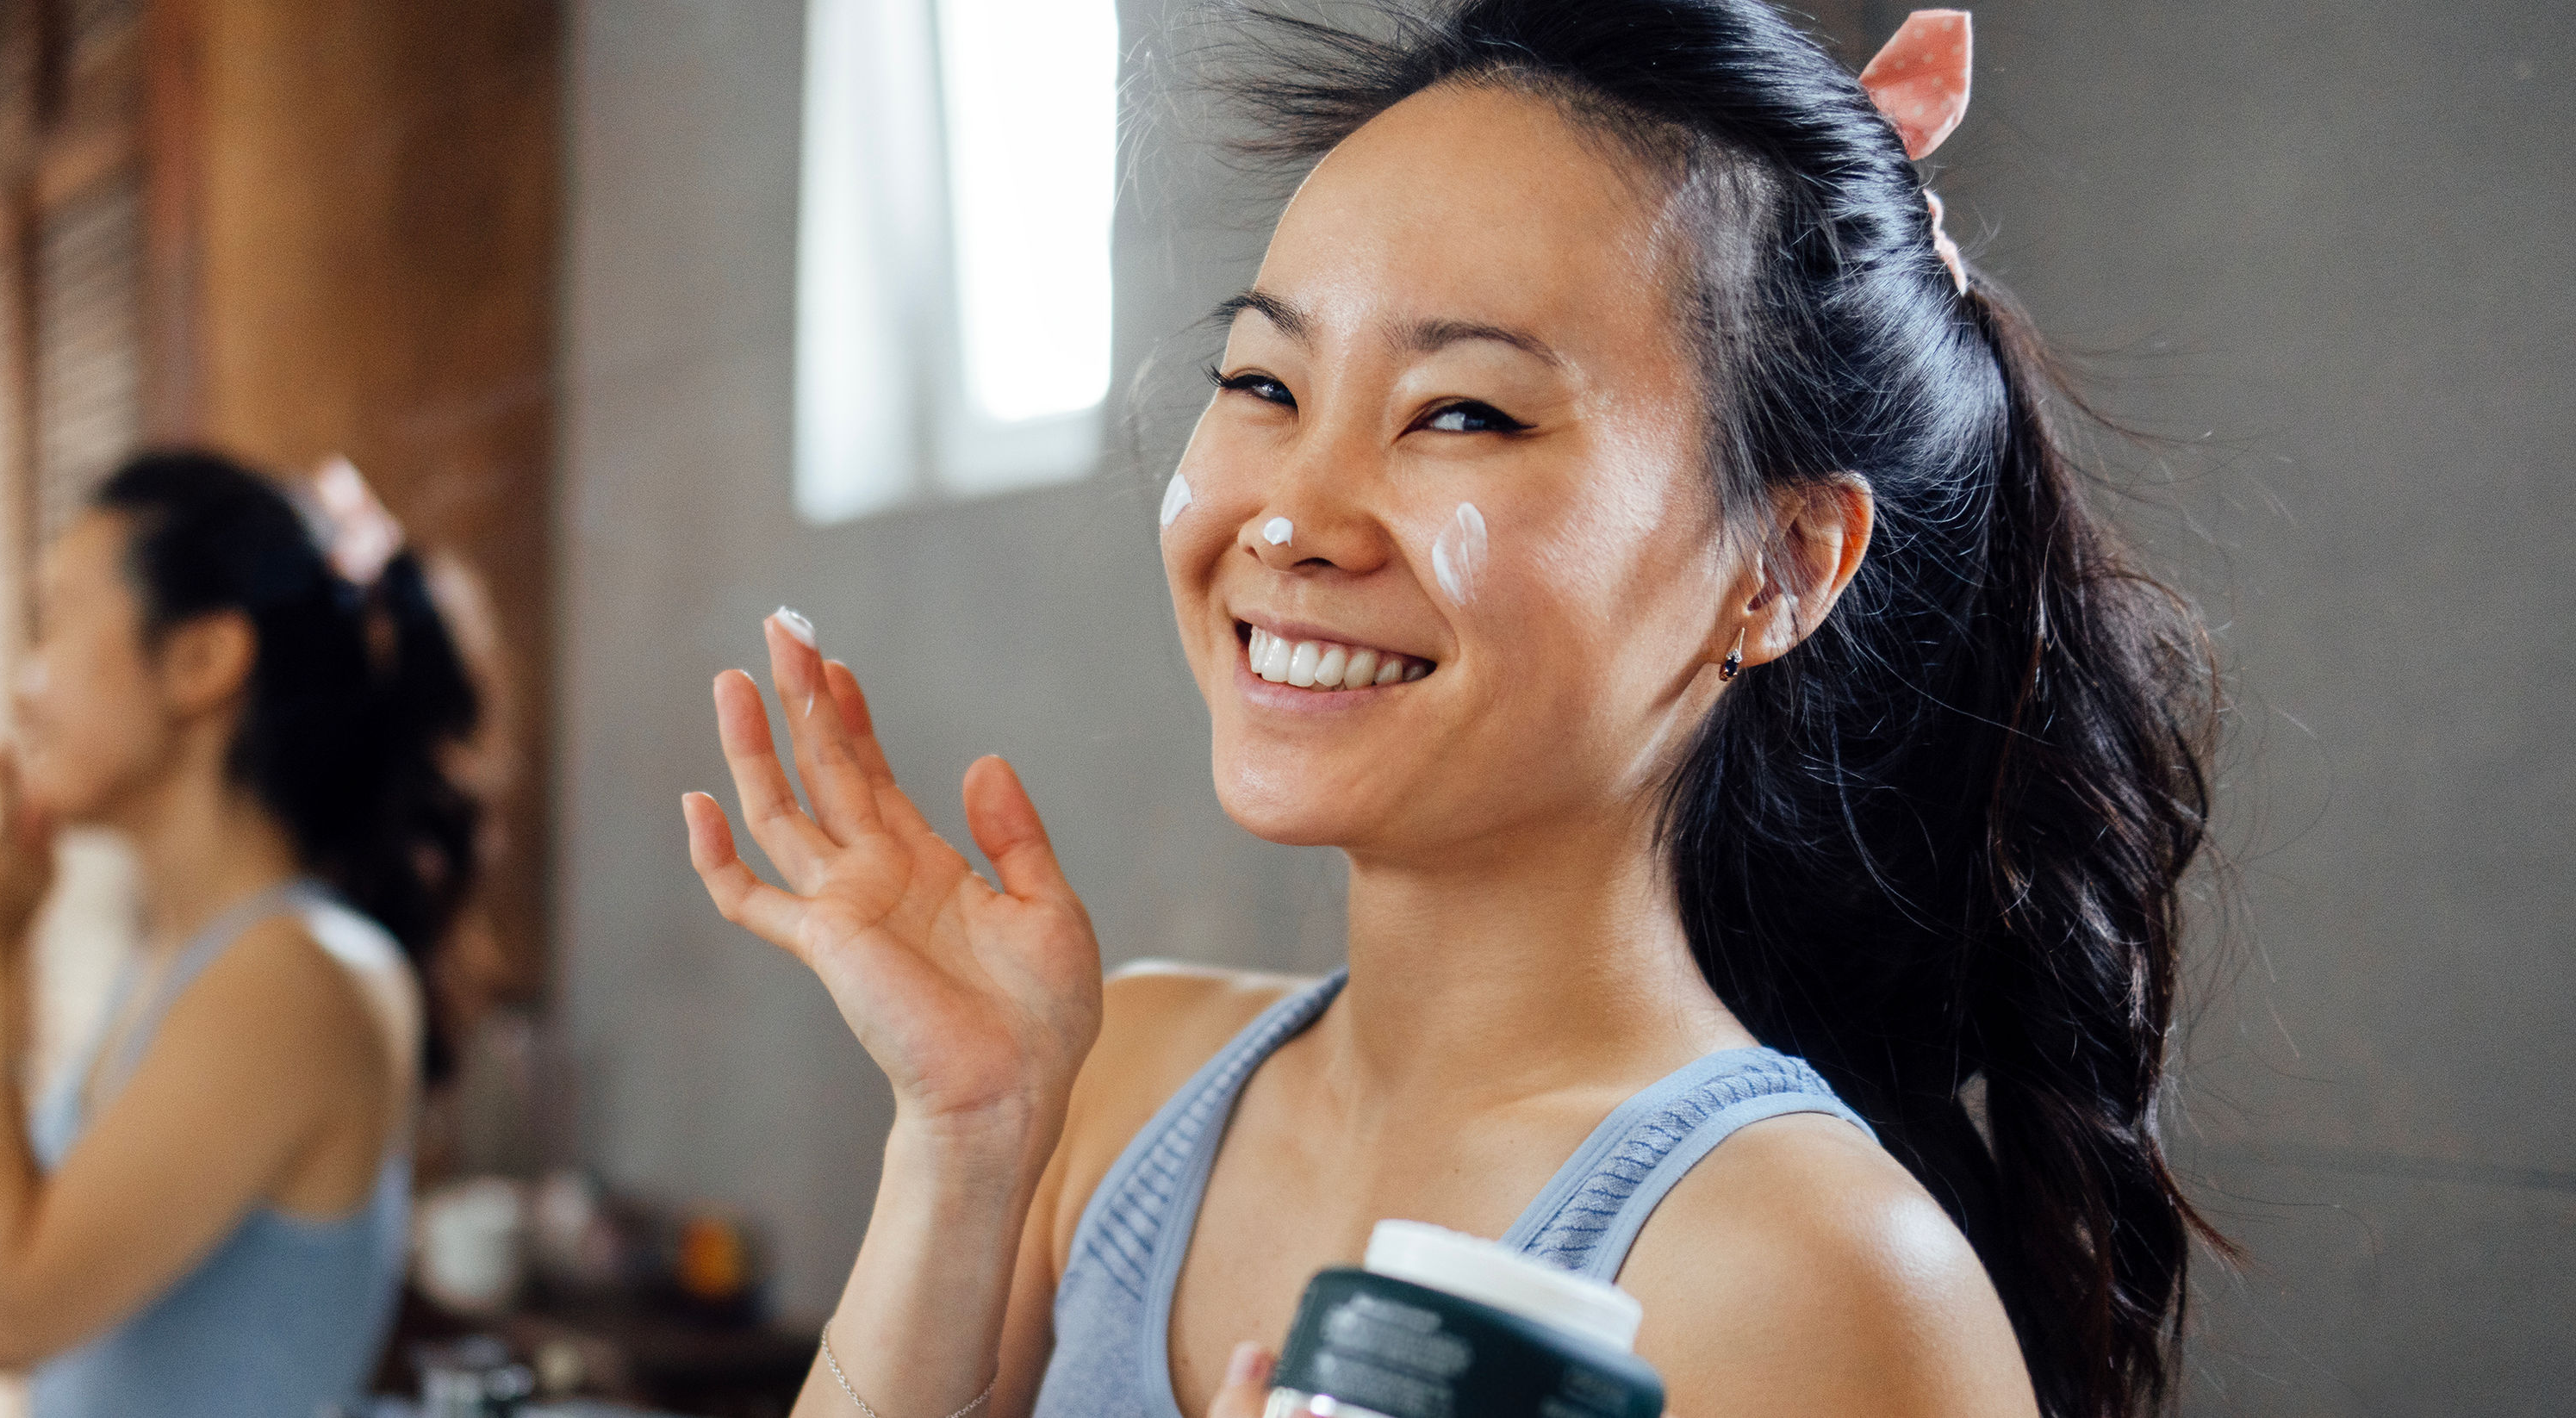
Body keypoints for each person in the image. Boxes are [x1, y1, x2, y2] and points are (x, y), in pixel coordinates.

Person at [681, 4, 2215, 1417]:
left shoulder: (1819, 1280)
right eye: (1264, 384)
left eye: (1462, 413)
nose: (1291, 517)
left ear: (1783, 564)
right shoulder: (1104, 1081)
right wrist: (966, 1142)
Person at [0, 451, 483, 1417]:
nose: (26, 686)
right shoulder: (186, 955)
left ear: (201, 660)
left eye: (54, 620)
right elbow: (80, 1237)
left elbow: (6, 1313)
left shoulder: (293, 978)